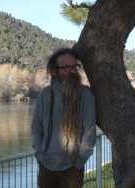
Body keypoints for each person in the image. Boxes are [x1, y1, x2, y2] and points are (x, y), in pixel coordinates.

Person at [31, 48, 96, 188]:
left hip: (73, 168)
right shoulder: (46, 94)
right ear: (55, 72)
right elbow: (36, 127)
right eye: (67, 67)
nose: (73, 71)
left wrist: (79, 163)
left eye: (75, 66)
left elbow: (90, 132)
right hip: (45, 166)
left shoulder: (86, 94)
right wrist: (39, 155)